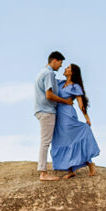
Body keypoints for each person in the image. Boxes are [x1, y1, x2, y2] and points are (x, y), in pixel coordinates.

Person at [49, 63, 99, 178]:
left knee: (71, 140)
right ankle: (71, 170)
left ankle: (90, 163)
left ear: (72, 72)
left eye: (68, 68)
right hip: (58, 116)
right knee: (60, 141)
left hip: (68, 115)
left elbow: (81, 104)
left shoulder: (75, 87)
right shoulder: (60, 83)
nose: (65, 69)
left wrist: (86, 117)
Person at [34, 51, 74, 181]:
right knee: (45, 142)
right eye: (60, 63)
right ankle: (43, 173)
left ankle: (45, 170)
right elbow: (49, 95)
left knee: (46, 141)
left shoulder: (43, 72)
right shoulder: (49, 73)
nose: (61, 66)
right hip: (46, 111)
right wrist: (65, 101)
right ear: (54, 60)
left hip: (42, 110)